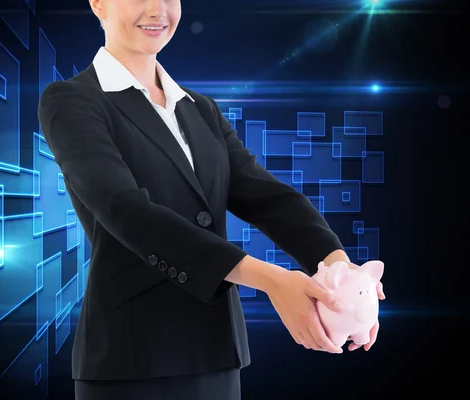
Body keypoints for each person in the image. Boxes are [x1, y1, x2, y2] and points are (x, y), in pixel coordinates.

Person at [37, 0, 385, 398]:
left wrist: (338, 268)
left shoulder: (200, 109)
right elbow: (126, 210)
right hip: (131, 357)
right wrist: (272, 280)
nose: (157, 9)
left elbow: (267, 197)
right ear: (98, 2)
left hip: (216, 351)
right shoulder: (71, 100)